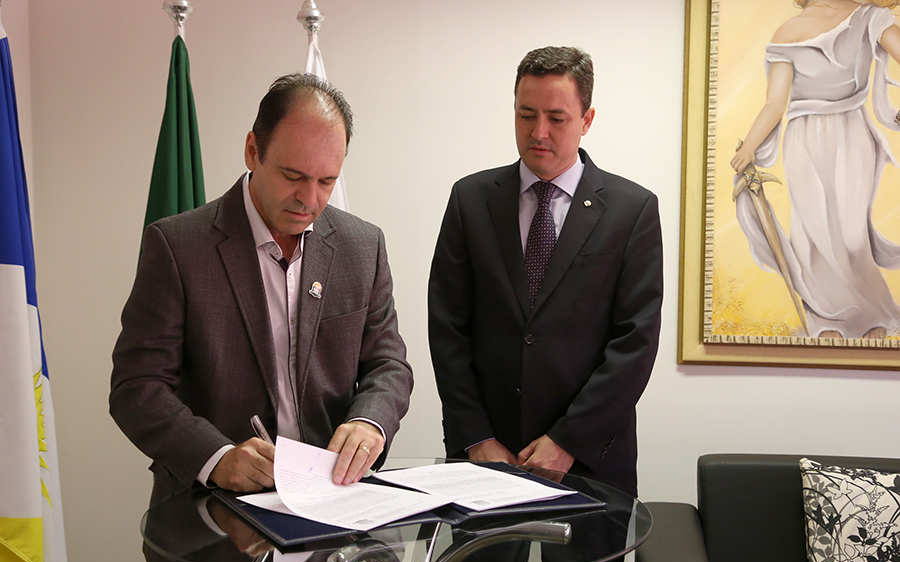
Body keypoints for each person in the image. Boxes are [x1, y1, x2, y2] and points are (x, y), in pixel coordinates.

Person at [110, 73, 413, 506]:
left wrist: (370, 422)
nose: (309, 199)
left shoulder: (362, 246)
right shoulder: (178, 246)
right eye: (293, 175)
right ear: (253, 150)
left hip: (332, 504)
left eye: (327, 181)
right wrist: (216, 458)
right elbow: (136, 386)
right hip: (214, 512)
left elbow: (388, 364)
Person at [428, 46, 663, 499]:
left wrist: (567, 440)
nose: (539, 132)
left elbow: (635, 343)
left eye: (556, 118)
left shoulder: (632, 210)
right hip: (485, 457)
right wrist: (476, 436)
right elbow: (447, 328)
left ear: (587, 119)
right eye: (525, 115)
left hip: (590, 457)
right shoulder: (470, 199)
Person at [731, 0, 900, 339]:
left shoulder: (871, 17)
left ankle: (870, 319)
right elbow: (775, 102)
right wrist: (749, 145)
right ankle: (827, 325)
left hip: (851, 132)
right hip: (803, 138)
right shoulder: (787, 33)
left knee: (852, 237)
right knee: (812, 236)